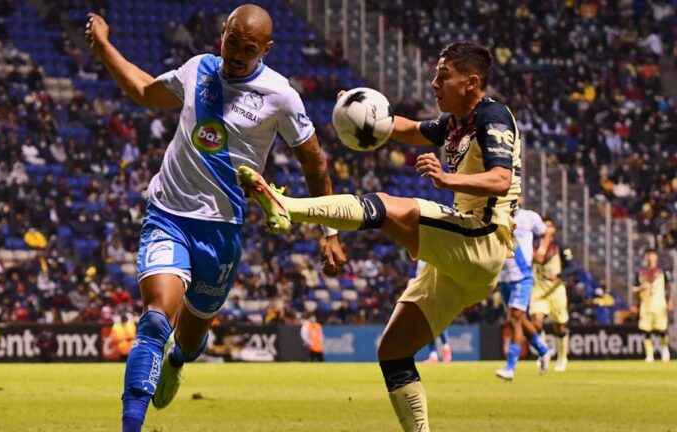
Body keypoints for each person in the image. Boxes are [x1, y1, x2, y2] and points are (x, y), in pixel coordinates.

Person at [85, 5, 346, 432]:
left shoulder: (280, 95)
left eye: (249, 49)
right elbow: (144, 90)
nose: (237, 55)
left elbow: (315, 164)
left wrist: (329, 231)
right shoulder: (198, 69)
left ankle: (177, 360)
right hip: (168, 215)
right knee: (155, 320)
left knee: (189, 341)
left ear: (266, 49)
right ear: (222, 34)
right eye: (232, 42)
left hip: (222, 232)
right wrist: (103, 46)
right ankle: (131, 424)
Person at [240, 41, 520, 432]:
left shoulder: (493, 116)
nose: (434, 83)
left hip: (482, 237)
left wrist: (446, 179)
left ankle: (287, 207)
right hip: (462, 263)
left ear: (471, 82)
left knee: (386, 205)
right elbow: (407, 129)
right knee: (393, 351)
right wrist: (357, 107)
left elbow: (501, 178)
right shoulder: (455, 122)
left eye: (444, 76)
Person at [495, 201, 552, 380]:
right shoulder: (496, 217)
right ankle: (543, 349)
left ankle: (510, 367)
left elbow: (547, 232)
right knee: (519, 319)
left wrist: (542, 249)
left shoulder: (529, 217)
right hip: (504, 278)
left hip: (523, 276)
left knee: (513, 319)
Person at [530, 217, 576, 372]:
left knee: (560, 326)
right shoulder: (534, 244)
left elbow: (573, 267)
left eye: (549, 226)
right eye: (544, 226)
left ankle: (562, 357)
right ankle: (543, 352)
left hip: (556, 291)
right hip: (539, 289)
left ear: (554, 229)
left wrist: (559, 276)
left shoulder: (560, 246)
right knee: (536, 322)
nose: (546, 229)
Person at [633, 249, 673, 362]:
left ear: (656, 257)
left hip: (659, 305)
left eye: (652, 255)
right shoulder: (640, 272)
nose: (650, 258)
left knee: (662, 330)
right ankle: (649, 355)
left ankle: (665, 350)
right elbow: (634, 289)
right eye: (648, 256)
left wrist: (670, 300)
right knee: (646, 331)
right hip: (645, 306)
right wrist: (638, 295)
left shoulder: (662, 272)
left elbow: (670, 286)